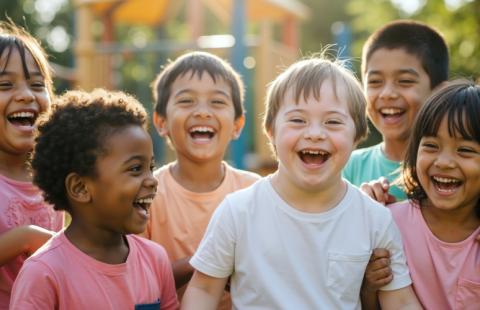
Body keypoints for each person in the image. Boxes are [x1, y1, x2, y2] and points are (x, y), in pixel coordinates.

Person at [181, 56, 422, 309]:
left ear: (357, 136)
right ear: (271, 131)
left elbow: (401, 302)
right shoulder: (238, 211)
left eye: (333, 122)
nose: (315, 133)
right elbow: (204, 290)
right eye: (297, 120)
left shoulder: (374, 219)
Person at [9, 89, 178, 309]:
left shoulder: (155, 259)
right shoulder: (43, 273)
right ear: (80, 188)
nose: (152, 180)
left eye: (151, 168)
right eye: (136, 169)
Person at [142, 51, 260, 308]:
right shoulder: (146, 195)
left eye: (217, 102)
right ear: (161, 122)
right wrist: (205, 262)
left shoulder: (255, 191)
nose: (203, 112)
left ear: (238, 125)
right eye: (186, 101)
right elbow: (138, 281)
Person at [362, 80, 480, 309]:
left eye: (465, 150)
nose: (444, 162)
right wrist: (369, 288)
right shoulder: (389, 223)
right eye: (431, 146)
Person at [343, 20, 449, 203]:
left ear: (438, 92)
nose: (387, 94)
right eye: (375, 82)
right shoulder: (347, 166)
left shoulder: (449, 170)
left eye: (405, 81)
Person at [0, 21, 64, 307]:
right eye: (4, 84)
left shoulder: (54, 174)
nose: (27, 94)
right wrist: (25, 238)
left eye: (37, 84)